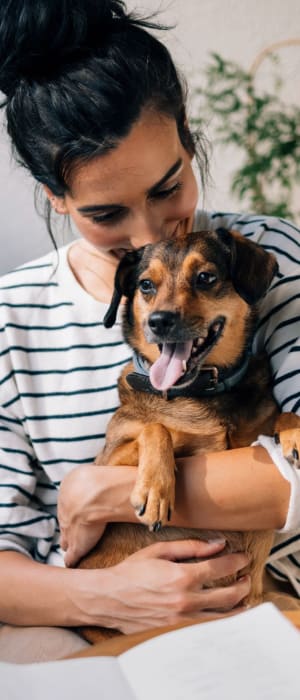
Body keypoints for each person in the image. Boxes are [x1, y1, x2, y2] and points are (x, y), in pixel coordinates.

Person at [0, 0, 299, 664]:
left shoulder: (271, 260)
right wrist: (106, 598)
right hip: (86, 628)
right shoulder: (10, 321)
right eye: (106, 212)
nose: (149, 235)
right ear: (55, 195)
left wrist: (102, 491)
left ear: (188, 139)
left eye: (169, 188)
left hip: (258, 609)